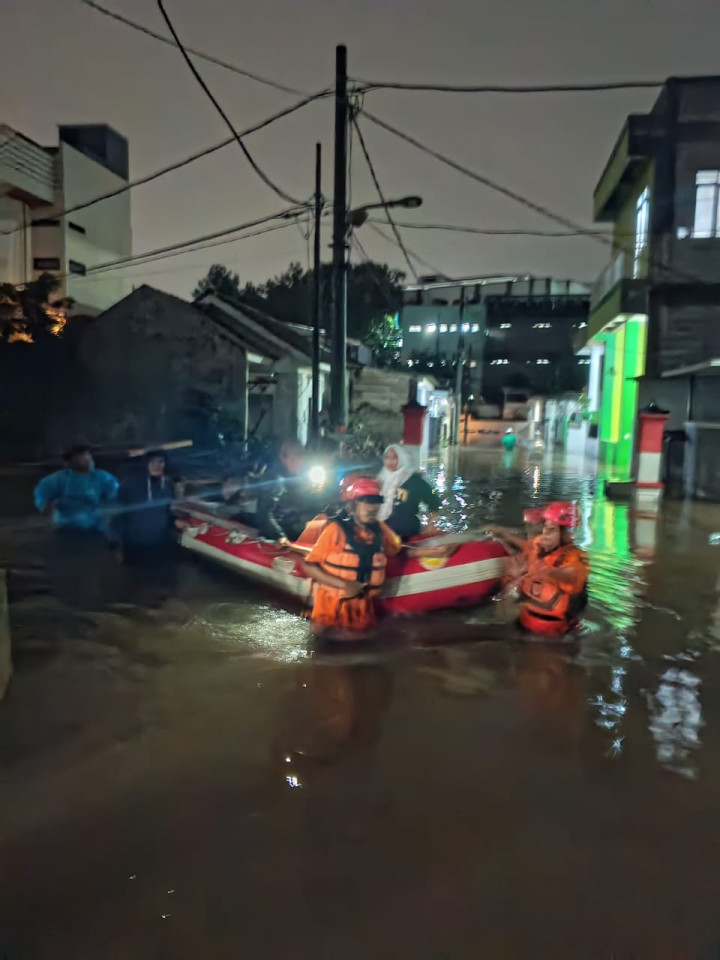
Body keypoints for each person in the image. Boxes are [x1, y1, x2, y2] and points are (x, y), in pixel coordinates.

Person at [33, 445, 119, 608]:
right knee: (69, 568)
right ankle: (68, 602)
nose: (87, 460)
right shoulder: (58, 480)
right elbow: (42, 498)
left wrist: (110, 515)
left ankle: (94, 602)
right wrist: (49, 506)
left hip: (94, 531)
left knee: (93, 567)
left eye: (88, 456)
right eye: (81, 457)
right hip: (67, 532)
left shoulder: (102, 478)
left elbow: (115, 497)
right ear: (71, 461)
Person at [486, 501, 589, 636]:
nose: (545, 534)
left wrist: (544, 573)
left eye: (551, 530)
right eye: (545, 527)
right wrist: (501, 533)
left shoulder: (576, 558)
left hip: (555, 635)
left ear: (567, 534)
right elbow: (524, 545)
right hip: (524, 624)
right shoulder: (540, 547)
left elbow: (571, 574)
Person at [113, 450, 178, 565]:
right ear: (145, 464)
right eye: (152, 462)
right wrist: (117, 544)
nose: (157, 466)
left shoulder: (168, 484)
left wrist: (175, 523)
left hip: (159, 542)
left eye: (160, 462)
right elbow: (118, 514)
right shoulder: (129, 484)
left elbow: (168, 511)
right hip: (134, 543)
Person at [255, 440, 321, 542]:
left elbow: (305, 505)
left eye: (299, 458)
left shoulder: (300, 477)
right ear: (283, 458)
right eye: (293, 458)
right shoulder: (273, 479)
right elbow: (265, 514)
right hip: (276, 532)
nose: (296, 462)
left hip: (293, 526)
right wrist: (280, 537)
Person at [377, 444, 442, 541]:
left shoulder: (414, 480)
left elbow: (434, 499)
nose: (390, 461)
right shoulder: (380, 479)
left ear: (402, 459)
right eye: (387, 457)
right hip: (383, 533)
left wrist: (431, 523)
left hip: (407, 533)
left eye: (395, 457)